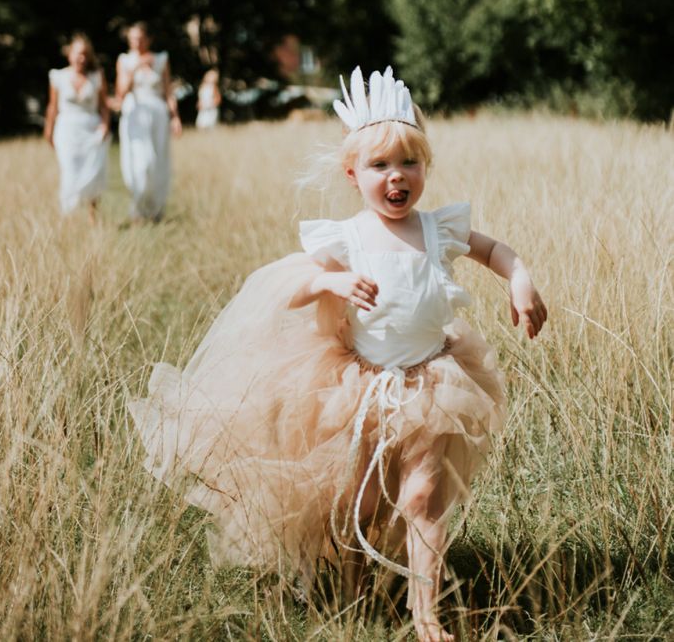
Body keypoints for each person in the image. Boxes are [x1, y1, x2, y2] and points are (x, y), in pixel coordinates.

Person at [128, 67, 547, 641]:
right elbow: (289, 289)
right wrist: (331, 285)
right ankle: (354, 585)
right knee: (366, 499)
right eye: (380, 166)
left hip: (432, 379)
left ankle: (428, 614)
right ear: (354, 174)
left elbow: (494, 250)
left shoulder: (437, 229)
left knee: (423, 496)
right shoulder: (346, 237)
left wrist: (519, 278)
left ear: (425, 166)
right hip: (360, 382)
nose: (396, 177)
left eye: (409, 163)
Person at [116, 22, 181, 222]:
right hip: (135, 114)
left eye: (140, 38)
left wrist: (175, 116)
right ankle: (137, 208)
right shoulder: (125, 61)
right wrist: (134, 69)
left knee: (158, 161)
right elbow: (121, 92)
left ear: (148, 39)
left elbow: (168, 92)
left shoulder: (161, 59)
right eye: (133, 38)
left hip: (158, 115)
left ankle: (155, 209)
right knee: (140, 162)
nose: (137, 42)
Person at [44, 33, 110, 219]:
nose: (81, 58)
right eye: (77, 53)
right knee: (69, 170)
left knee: (92, 170)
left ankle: (92, 215)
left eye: (85, 54)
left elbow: (104, 106)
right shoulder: (58, 77)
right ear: (69, 54)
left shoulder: (96, 76)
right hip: (66, 130)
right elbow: (53, 106)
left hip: (91, 129)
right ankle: (69, 214)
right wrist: (48, 131)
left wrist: (104, 125)